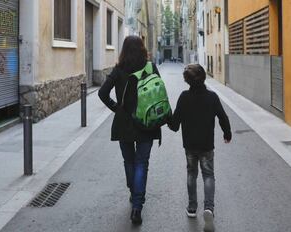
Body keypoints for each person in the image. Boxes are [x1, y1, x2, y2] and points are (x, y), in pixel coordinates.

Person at [98, 36, 161, 225]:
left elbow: (102, 93)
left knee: (129, 161)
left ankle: (134, 194)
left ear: (124, 50)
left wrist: (116, 108)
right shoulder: (150, 68)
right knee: (142, 163)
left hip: (124, 122)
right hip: (147, 121)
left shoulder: (119, 70)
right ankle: (137, 206)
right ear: (142, 49)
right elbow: (158, 93)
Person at [168, 64, 232, 232]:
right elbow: (223, 117)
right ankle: (209, 208)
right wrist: (227, 133)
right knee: (208, 175)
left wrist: (167, 116)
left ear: (187, 80)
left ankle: (191, 208)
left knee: (191, 173)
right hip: (206, 145)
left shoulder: (183, 97)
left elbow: (174, 125)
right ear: (203, 77)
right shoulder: (212, 97)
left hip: (190, 145)